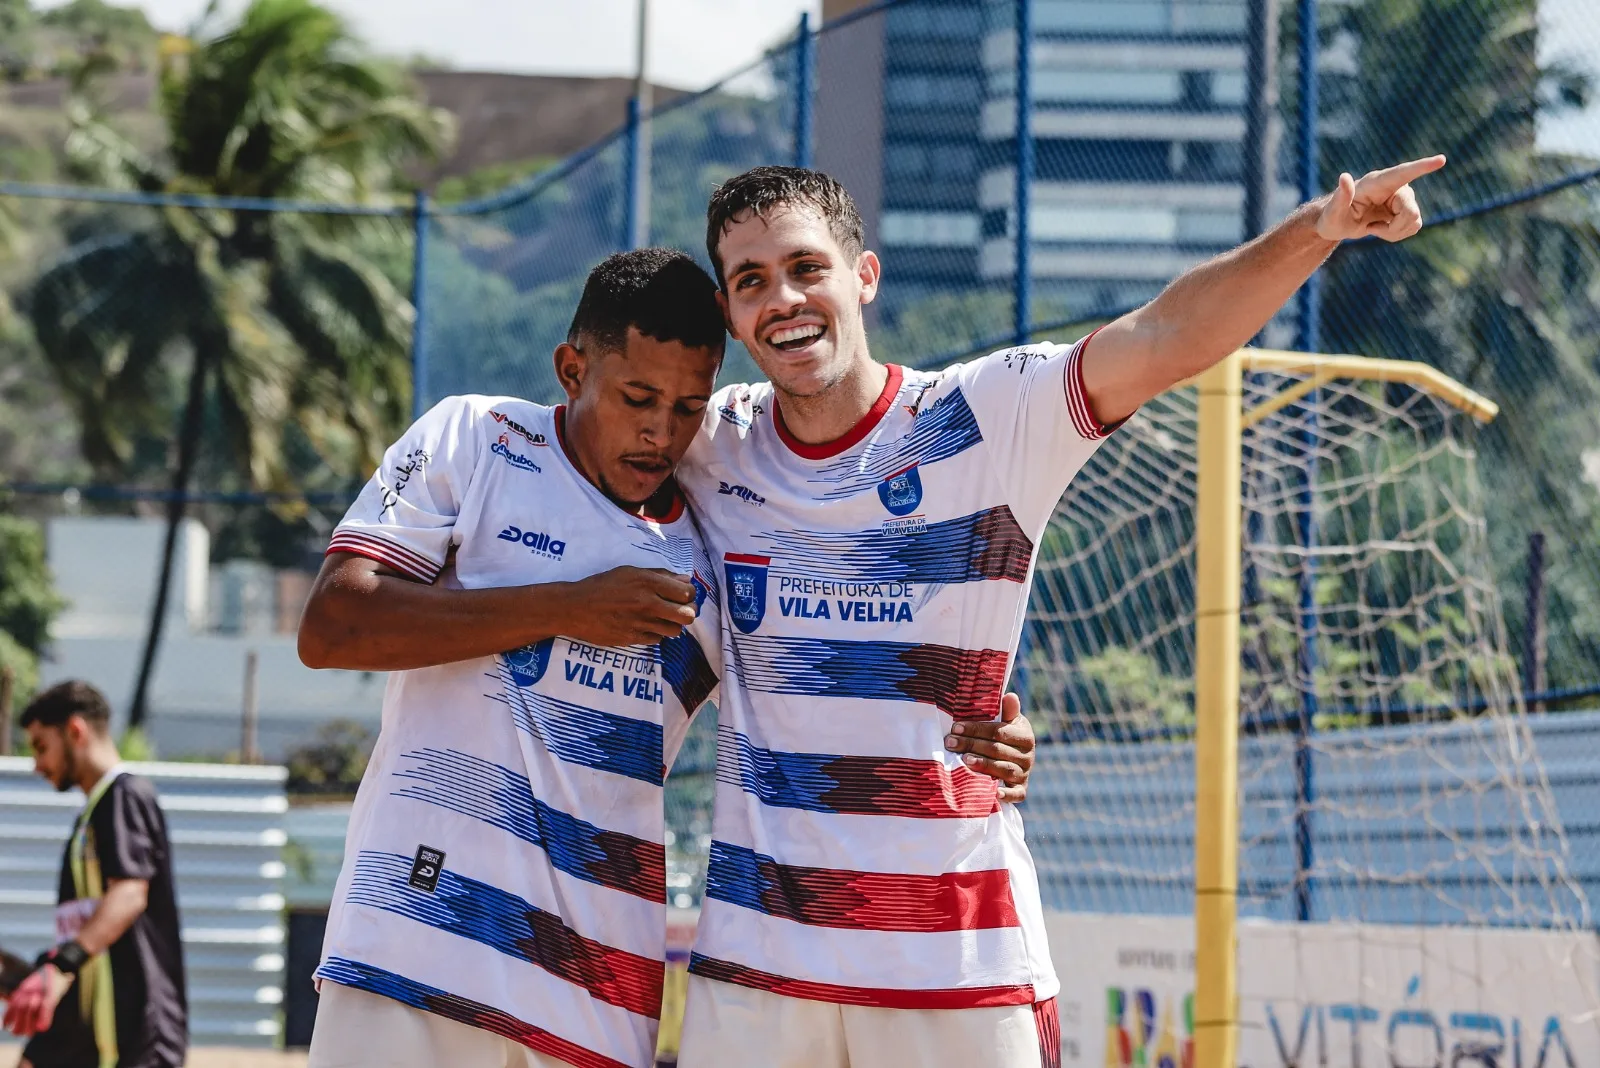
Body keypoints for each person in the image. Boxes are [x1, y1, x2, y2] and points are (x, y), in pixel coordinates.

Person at [674, 159, 1444, 1067]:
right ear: (729, 313)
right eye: (751, 281)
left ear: (864, 277)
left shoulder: (983, 415)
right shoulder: (708, 442)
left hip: (959, 970)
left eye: (807, 267)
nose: (784, 298)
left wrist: (1320, 227)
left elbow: (1165, 334)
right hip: (758, 973)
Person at [294, 248, 1035, 1068]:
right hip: (413, 940)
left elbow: (819, 691)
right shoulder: (476, 440)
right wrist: (569, 608)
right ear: (571, 370)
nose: (660, 431)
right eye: (636, 398)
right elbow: (333, 626)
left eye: (688, 406)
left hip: (596, 989)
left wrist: (973, 731)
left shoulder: (714, 539)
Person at [3, 681, 187, 1068]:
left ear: (75, 731)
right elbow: (88, 930)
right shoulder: (89, 818)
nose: (36, 765)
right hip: (87, 1028)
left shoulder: (125, 796)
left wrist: (59, 967)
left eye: (40, 747)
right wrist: (32, 978)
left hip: (136, 1034)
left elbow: (129, 896)